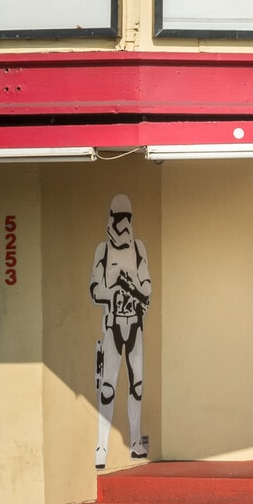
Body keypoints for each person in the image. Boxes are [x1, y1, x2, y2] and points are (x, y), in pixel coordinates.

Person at [89, 193, 150, 469]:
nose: (123, 225)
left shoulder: (138, 248)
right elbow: (95, 288)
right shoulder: (103, 250)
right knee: (107, 387)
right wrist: (114, 289)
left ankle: (135, 441)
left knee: (137, 385)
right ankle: (102, 446)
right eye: (119, 219)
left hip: (135, 322)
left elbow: (147, 286)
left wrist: (133, 287)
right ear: (112, 219)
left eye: (127, 218)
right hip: (113, 323)